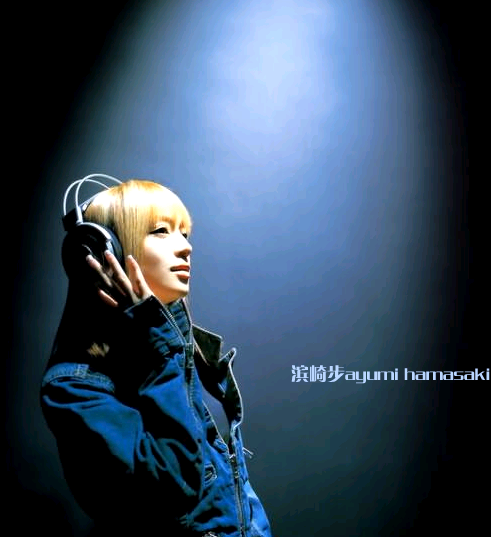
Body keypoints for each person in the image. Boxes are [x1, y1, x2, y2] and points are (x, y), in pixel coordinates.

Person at [40, 175, 273, 537]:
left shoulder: (182, 355)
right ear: (103, 252)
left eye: (185, 233)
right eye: (161, 231)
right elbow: (174, 486)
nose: (185, 248)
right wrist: (157, 337)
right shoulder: (73, 388)